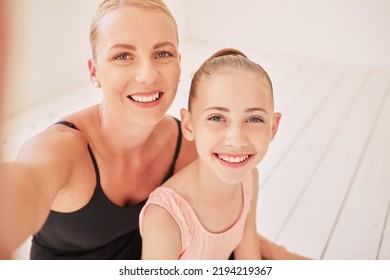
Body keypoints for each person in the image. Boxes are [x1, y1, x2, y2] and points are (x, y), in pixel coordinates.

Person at [0, 0, 306, 260]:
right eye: (123, 56)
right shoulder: (61, 149)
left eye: (162, 54)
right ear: (95, 72)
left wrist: (289, 258)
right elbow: (24, 188)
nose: (147, 75)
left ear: (179, 63)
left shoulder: (189, 146)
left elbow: (229, 223)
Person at [139, 48, 280, 260]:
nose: (236, 139)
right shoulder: (165, 218)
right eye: (216, 118)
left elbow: (248, 254)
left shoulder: (249, 177)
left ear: (273, 127)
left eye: (254, 119)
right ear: (188, 125)